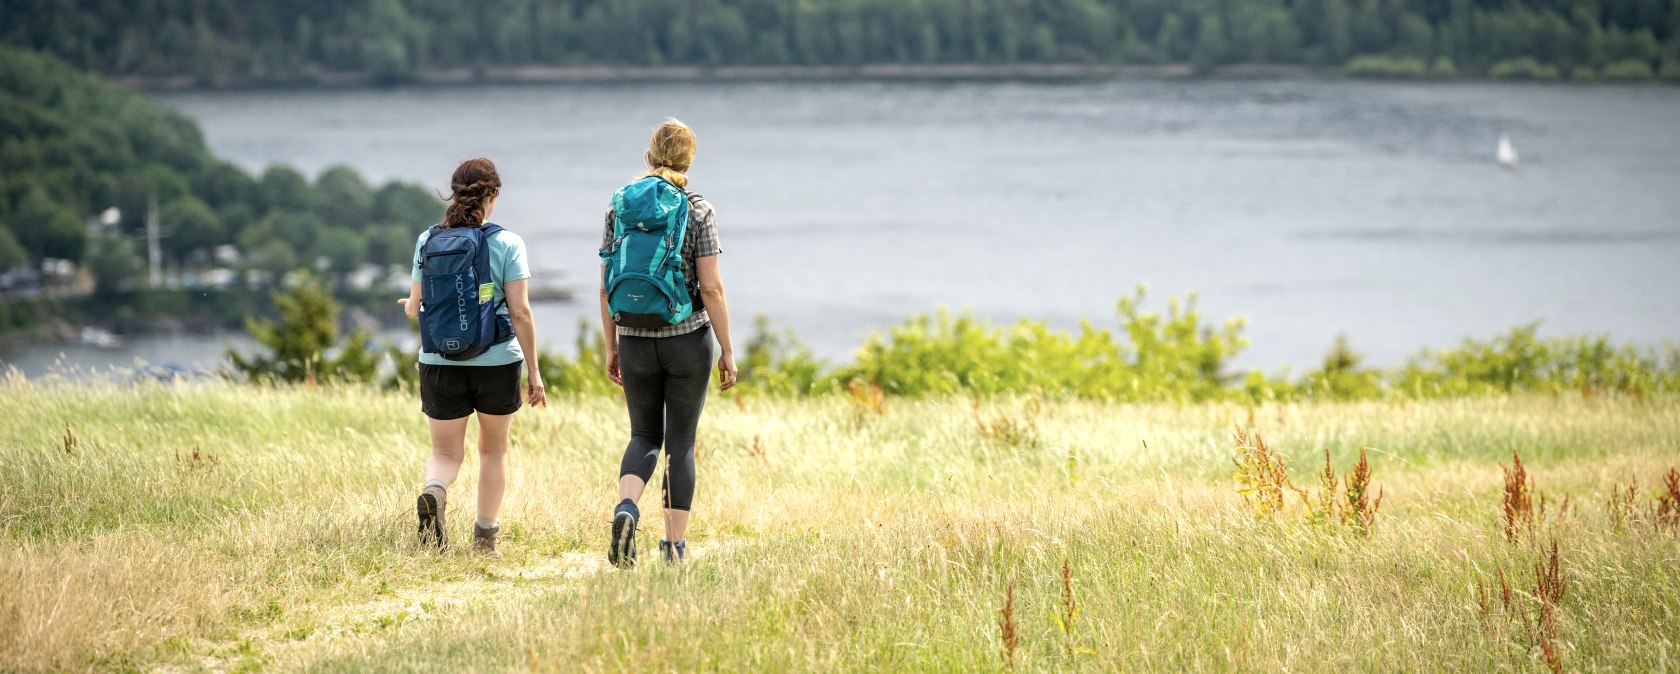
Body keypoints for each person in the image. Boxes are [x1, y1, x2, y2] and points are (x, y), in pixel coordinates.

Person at [600, 119, 737, 567]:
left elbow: (605, 285)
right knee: (680, 444)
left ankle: (626, 508)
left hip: (635, 338)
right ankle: (673, 547)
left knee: (642, 436)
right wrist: (728, 350)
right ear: (689, 160)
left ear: (649, 155)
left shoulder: (619, 206)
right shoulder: (699, 211)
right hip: (686, 339)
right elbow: (712, 289)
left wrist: (612, 345)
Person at [400, 157, 546, 557]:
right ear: (493, 195)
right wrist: (534, 372)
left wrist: (410, 307)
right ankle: (484, 539)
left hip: (438, 363)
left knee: (445, 454)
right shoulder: (508, 243)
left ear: (454, 192)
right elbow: (519, 312)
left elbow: (416, 307)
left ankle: (435, 491)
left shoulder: (427, 240)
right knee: (493, 450)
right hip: (497, 362)